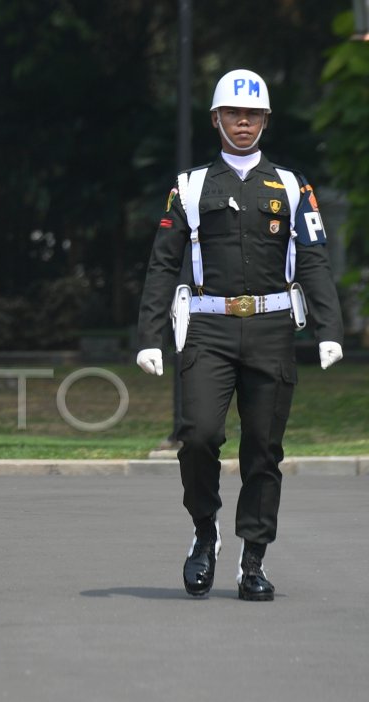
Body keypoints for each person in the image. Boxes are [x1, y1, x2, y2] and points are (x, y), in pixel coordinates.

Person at [135, 69, 344, 601]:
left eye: (252, 114)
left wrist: (328, 328)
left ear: (266, 120)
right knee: (199, 434)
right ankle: (205, 532)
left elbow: (315, 261)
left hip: (273, 329)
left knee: (263, 449)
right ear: (216, 120)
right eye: (233, 113)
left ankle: (254, 559)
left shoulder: (294, 187)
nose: (243, 122)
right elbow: (163, 265)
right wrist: (149, 335)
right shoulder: (189, 186)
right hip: (209, 325)